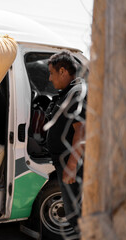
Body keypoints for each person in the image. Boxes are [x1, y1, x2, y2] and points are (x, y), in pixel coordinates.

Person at [45, 51, 87, 237]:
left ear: (62, 71)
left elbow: (82, 130)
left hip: (72, 164)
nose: (50, 78)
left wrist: (71, 166)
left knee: (76, 215)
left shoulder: (77, 92)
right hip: (66, 161)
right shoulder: (69, 91)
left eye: (52, 73)